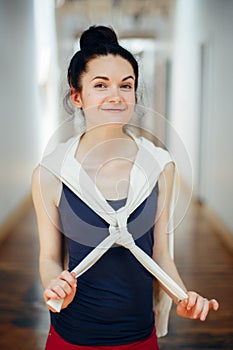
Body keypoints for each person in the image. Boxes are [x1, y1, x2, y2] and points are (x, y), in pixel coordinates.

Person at [32, 25, 219, 350]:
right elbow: (49, 258)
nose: (116, 96)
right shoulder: (50, 173)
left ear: (135, 94)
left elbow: (161, 253)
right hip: (72, 335)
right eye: (100, 85)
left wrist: (182, 296)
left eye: (126, 85)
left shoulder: (160, 166)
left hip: (138, 335)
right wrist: (54, 285)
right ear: (77, 96)